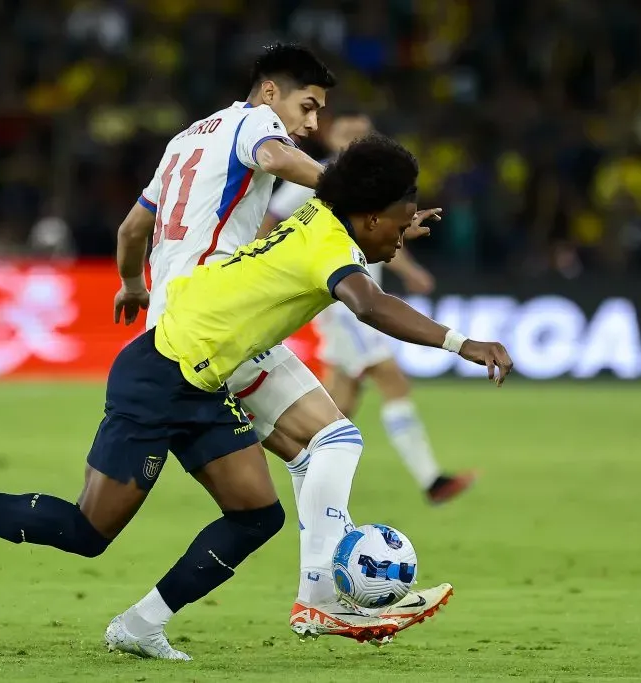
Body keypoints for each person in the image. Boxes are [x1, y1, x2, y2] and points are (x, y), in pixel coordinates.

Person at [0, 134, 513, 661]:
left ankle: (142, 624)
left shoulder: (328, 215)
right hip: (160, 375)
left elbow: (361, 230)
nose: (401, 240)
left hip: (207, 378)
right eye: (397, 226)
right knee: (87, 531)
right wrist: (463, 342)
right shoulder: (329, 244)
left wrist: (398, 223)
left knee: (258, 512)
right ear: (370, 217)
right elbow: (370, 304)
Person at [112, 43, 454, 641]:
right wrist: (359, 197)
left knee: (311, 455)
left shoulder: (188, 139)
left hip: (173, 320)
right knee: (327, 444)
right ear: (271, 92)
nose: (312, 123)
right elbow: (275, 155)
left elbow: (132, 227)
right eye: (309, 106)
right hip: (217, 319)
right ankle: (322, 596)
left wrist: (130, 283)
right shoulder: (258, 125)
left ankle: (306, 600)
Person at [260, 111, 476, 505]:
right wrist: (262, 263)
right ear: (331, 138)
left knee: (338, 404)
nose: (355, 140)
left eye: (362, 134)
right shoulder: (318, 175)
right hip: (344, 301)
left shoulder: (366, 186)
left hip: (357, 291)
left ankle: (300, 465)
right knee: (392, 380)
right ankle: (432, 480)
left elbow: (379, 235)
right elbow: (271, 218)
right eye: (347, 133)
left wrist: (409, 270)